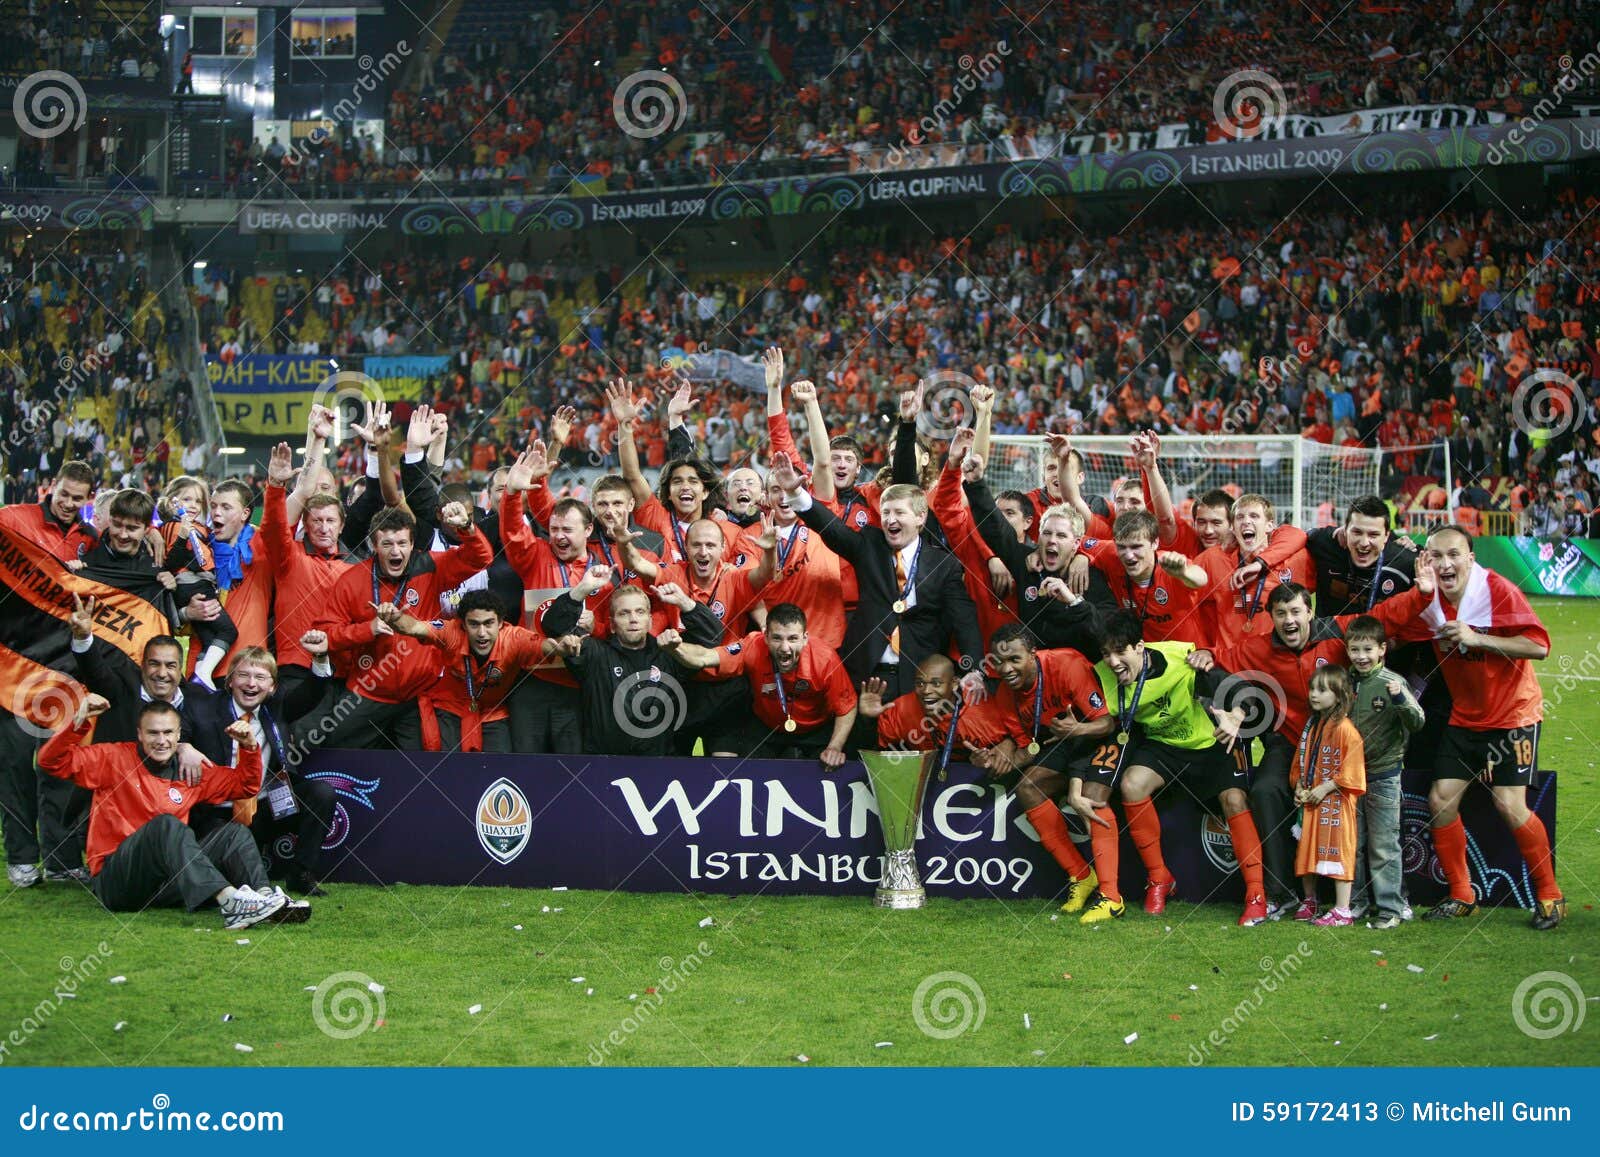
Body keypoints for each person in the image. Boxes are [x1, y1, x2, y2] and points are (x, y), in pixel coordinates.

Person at [1363, 527, 1565, 929]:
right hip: (1466, 717)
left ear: (1471, 557)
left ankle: (1550, 895)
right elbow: (1393, 630)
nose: (1445, 564)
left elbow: (1539, 646)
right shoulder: (1430, 601)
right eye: (1436, 556)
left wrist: (1479, 639)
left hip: (1514, 715)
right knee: (1440, 800)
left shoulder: (1497, 589)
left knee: (1509, 804)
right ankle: (1462, 894)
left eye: (1453, 555)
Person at [38, 694, 308, 930]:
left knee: (233, 833)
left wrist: (249, 748)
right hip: (116, 881)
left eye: (168, 733)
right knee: (165, 825)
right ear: (140, 734)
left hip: (165, 882)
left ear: (179, 735)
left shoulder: (189, 768)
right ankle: (230, 901)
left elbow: (245, 785)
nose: (161, 740)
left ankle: (265, 900)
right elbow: (51, 761)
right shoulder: (112, 758)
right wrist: (79, 721)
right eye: (153, 733)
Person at [1095, 611, 1270, 927]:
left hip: (1210, 744)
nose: (1112, 661)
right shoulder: (1101, 676)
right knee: (1132, 785)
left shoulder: (1184, 659)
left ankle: (1256, 894)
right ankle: (1159, 877)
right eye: (1106, 653)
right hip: (1163, 747)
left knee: (1234, 800)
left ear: (1140, 647)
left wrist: (1238, 715)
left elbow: (1247, 695)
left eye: (1120, 652)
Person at [771, 451, 985, 701]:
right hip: (864, 673)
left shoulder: (943, 564)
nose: (890, 520)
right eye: (885, 513)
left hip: (919, 678)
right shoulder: (869, 544)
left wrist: (974, 670)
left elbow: (964, 619)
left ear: (920, 517)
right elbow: (832, 528)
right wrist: (796, 494)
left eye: (898, 513)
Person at [313, 501, 491, 749]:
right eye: (387, 544)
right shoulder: (351, 580)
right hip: (367, 692)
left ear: (412, 546)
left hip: (419, 694)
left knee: (424, 766)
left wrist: (467, 528)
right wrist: (367, 630)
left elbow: (480, 557)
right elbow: (326, 634)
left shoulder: (430, 566)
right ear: (374, 546)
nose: (395, 552)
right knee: (332, 748)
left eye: (402, 544)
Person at [184, 641, 337, 896]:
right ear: (230, 680)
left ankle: (300, 874)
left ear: (272, 687)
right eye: (243, 675)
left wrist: (320, 656)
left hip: (266, 807)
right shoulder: (203, 707)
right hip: (217, 814)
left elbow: (313, 691)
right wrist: (182, 745)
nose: (251, 684)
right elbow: (178, 730)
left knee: (321, 793)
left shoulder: (276, 707)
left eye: (260, 677)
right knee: (231, 879)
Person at [986, 624, 1113, 918]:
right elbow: (1029, 748)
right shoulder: (1006, 694)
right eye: (999, 661)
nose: (1006, 669)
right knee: (1028, 787)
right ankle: (1081, 876)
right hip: (1061, 745)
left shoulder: (1066, 664)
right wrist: (997, 761)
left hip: (1095, 737)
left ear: (1033, 654)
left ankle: (1110, 894)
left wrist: (1078, 728)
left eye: (1014, 660)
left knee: (1092, 798)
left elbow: (1106, 723)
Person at [541, 567, 725, 757]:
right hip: (603, 768)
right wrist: (582, 589)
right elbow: (553, 628)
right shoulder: (594, 654)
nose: (633, 619)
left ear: (650, 621)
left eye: (640, 612)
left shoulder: (670, 654)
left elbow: (714, 636)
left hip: (658, 768)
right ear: (611, 625)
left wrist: (685, 603)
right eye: (624, 613)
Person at [671, 603, 858, 767]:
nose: (785, 648)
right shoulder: (753, 645)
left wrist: (835, 746)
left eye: (792, 638)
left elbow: (847, 707)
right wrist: (675, 648)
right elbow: (705, 657)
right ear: (766, 636)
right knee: (747, 773)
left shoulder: (825, 659)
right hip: (768, 728)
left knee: (823, 772)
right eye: (777, 638)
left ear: (805, 638)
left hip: (815, 731)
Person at [380, 590, 555, 754]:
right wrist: (395, 619)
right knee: (448, 767)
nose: (482, 633)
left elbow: (544, 646)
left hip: (492, 713)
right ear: (463, 624)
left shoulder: (514, 638)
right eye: (474, 624)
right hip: (451, 709)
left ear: (501, 623)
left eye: (488, 623)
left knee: (498, 769)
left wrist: (562, 647)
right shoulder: (451, 632)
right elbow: (413, 628)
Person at [1344, 615, 1423, 928]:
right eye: (1354, 650)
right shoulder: (1344, 681)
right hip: (1349, 777)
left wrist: (1401, 700)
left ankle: (1390, 909)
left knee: (1383, 844)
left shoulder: (1392, 682)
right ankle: (1356, 903)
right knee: (1354, 843)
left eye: (1367, 649)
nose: (1361, 656)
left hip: (1384, 775)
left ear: (1382, 650)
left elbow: (1418, 722)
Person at [856, 654, 1024, 775]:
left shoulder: (986, 709)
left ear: (954, 684)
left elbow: (1025, 739)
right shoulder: (901, 709)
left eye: (936, 683)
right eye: (920, 683)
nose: (926, 691)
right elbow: (874, 756)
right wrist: (868, 720)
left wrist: (1008, 744)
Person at [1289, 666, 1366, 927]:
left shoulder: (1346, 728)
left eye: (1322, 690)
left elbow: (1353, 770)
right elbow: (1302, 760)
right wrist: (1300, 786)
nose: (1314, 694)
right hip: (1312, 801)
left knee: (1338, 852)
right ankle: (1310, 900)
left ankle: (1342, 910)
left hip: (1336, 803)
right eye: (1312, 688)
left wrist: (1326, 787)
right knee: (1306, 849)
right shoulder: (1313, 724)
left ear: (1339, 695)